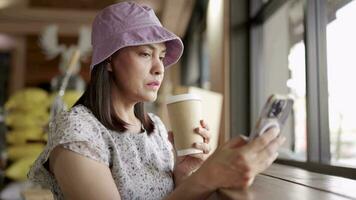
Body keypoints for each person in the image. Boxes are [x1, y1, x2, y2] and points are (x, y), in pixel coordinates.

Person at [28, 1, 285, 200]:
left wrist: (184, 173)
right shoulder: (79, 132)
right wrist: (207, 178)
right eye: (144, 53)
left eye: (161, 56)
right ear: (109, 60)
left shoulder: (156, 127)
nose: (159, 68)